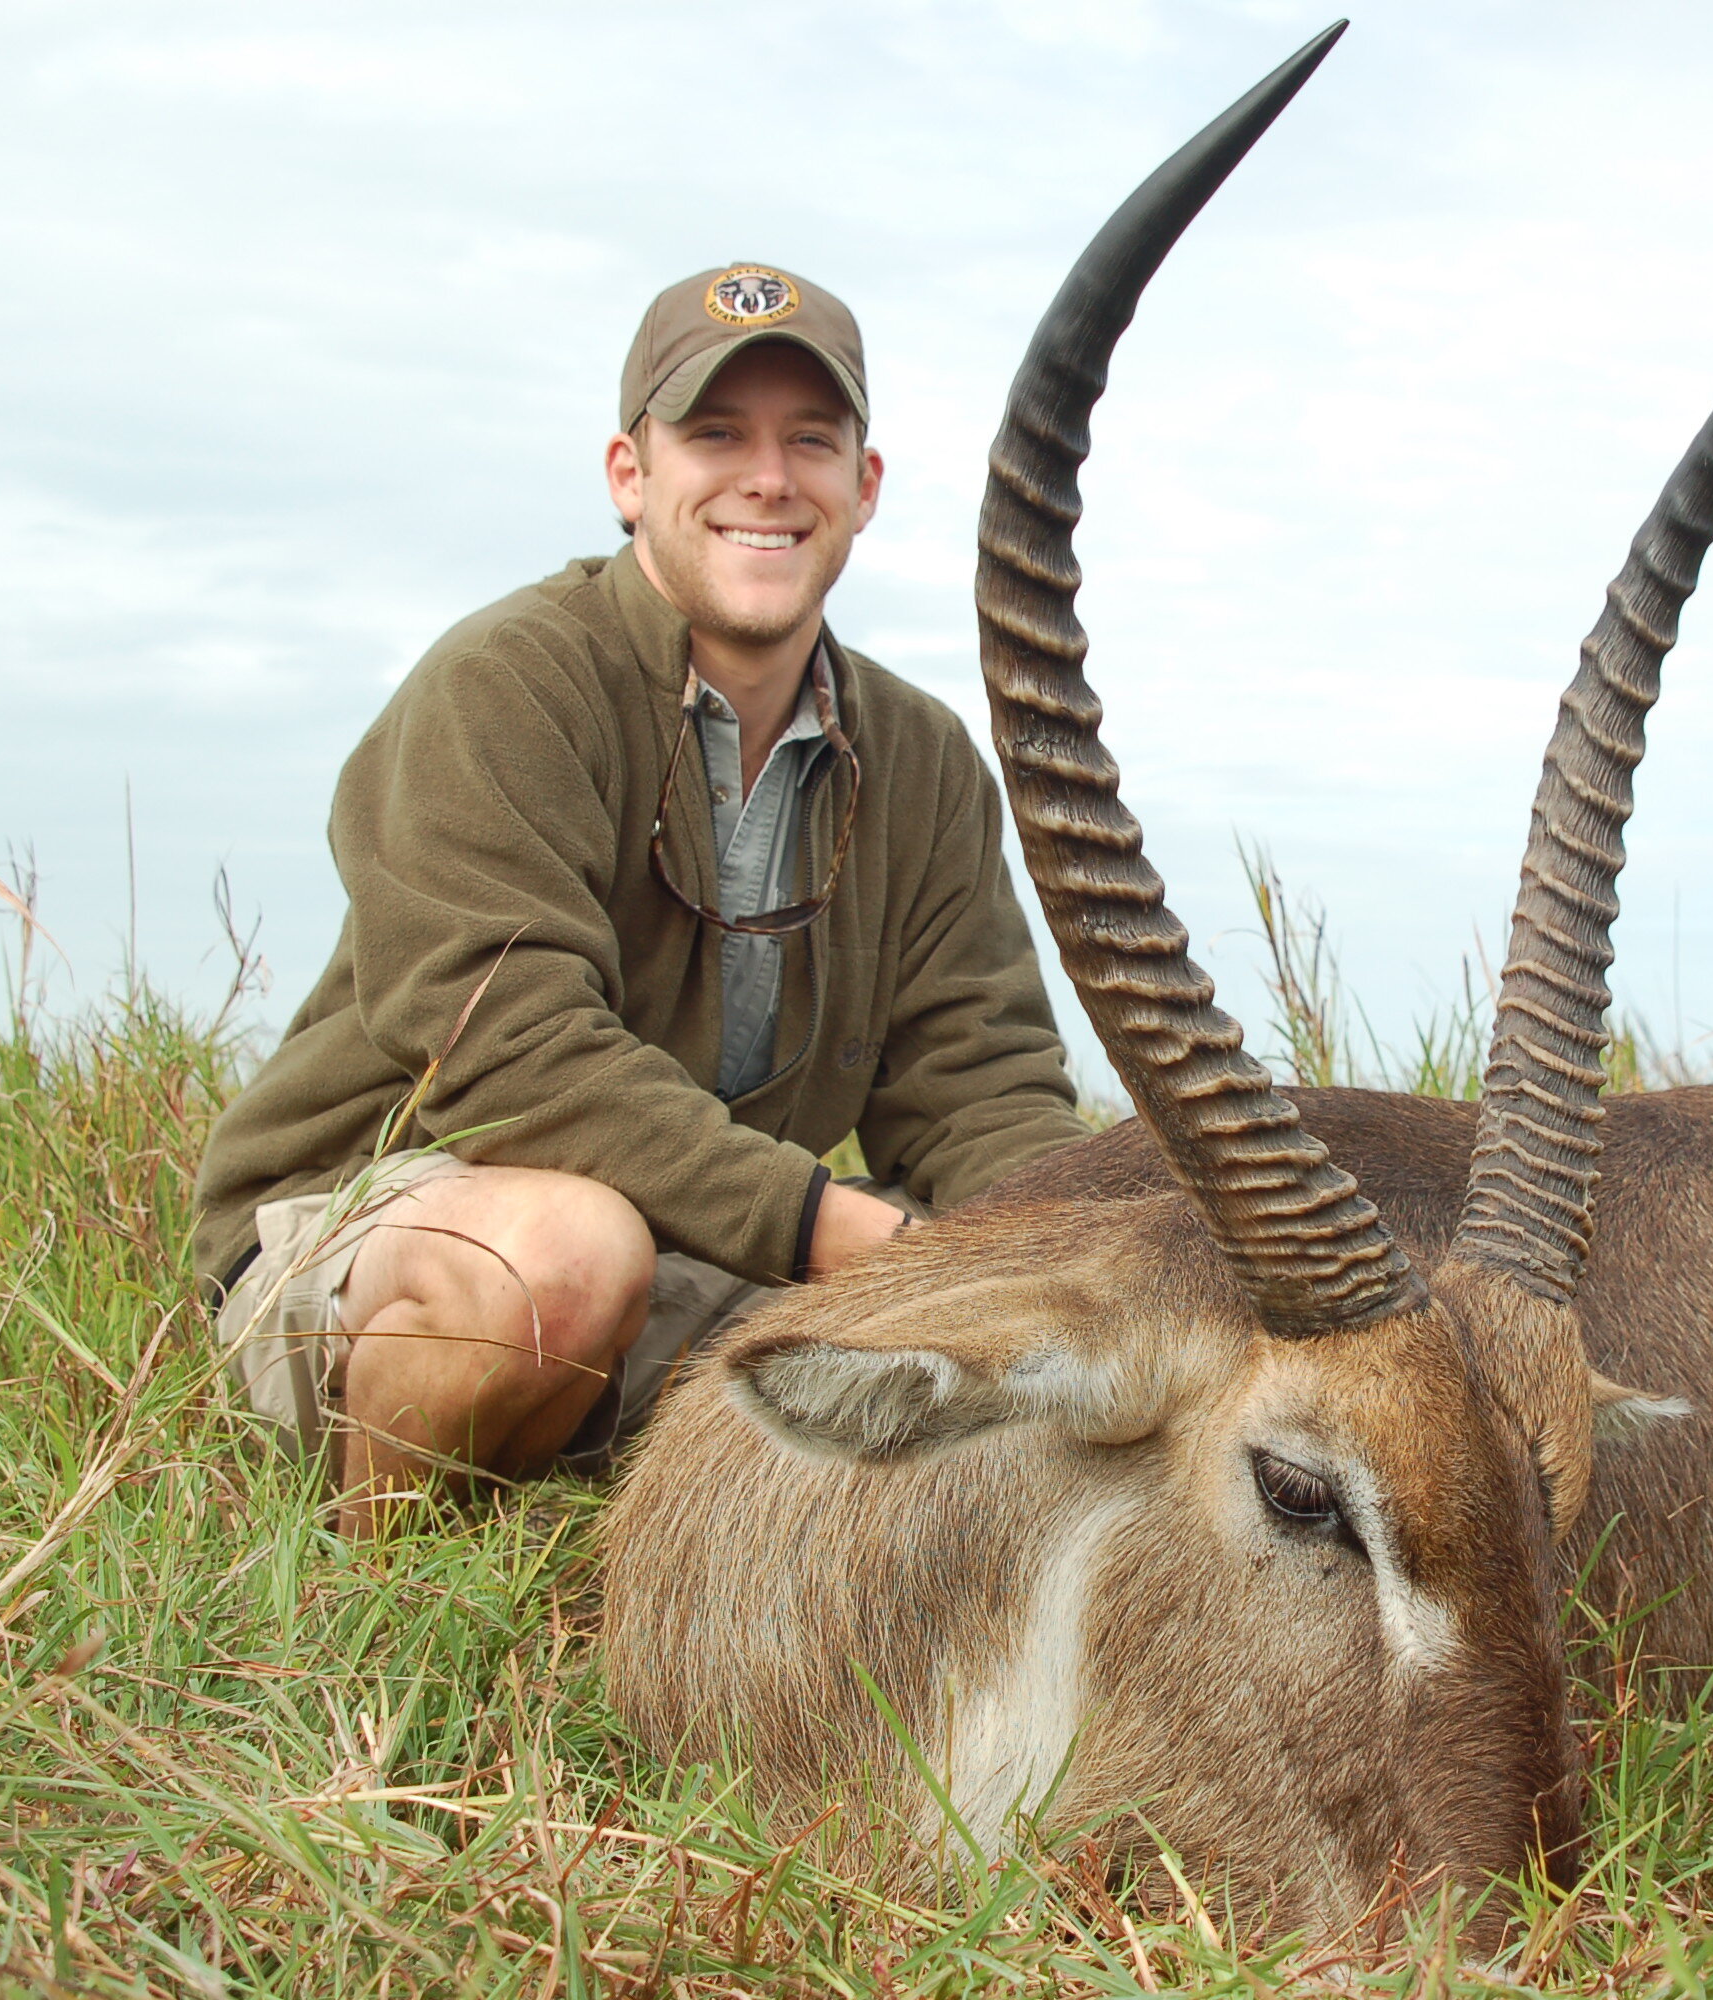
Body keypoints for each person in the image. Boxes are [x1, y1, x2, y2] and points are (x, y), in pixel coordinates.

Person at [192, 262, 1091, 1533]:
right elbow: (511, 1059)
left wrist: (1096, 1248)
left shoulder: (925, 756)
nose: (767, 479)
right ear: (630, 474)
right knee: (566, 1258)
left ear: (863, 487)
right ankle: (365, 1573)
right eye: (715, 435)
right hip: (384, 1227)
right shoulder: (505, 684)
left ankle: (572, 1488)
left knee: (1016, 1423)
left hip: (695, 1246)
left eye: (810, 442)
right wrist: (837, 1233)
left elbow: (982, 1085)